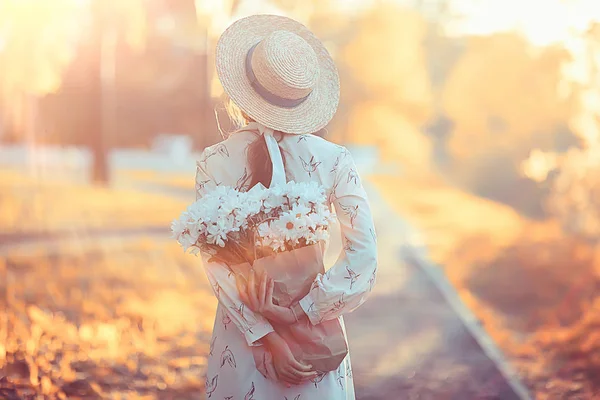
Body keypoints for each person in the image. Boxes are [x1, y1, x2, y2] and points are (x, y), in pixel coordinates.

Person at [195, 14, 378, 400]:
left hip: (241, 339)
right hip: (315, 338)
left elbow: (215, 261)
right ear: (303, 98)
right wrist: (302, 312)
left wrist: (262, 336)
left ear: (242, 88)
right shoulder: (334, 159)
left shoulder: (215, 161)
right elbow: (364, 257)